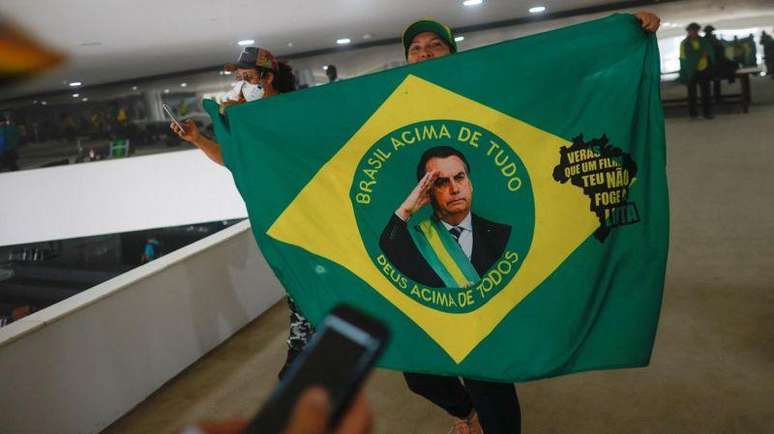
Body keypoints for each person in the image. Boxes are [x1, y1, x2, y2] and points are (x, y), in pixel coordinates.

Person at [395, 12, 660, 434]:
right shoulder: (390, 102)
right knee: (417, 368)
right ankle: (469, 414)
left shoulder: (482, 84)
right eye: (416, 48)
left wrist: (620, 33)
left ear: (453, 52)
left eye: (436, 45)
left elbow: (550, 76)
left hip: (485, 250)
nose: (425, 53)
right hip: (427, 253)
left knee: (485, 368)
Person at [171, 46, 313, 380]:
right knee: (300, 294)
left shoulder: (289, 111)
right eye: (238, 78)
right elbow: (233, 159)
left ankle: (304, 366)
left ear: (267, 78)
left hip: (307, 221)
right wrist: (197, 138)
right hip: (278, 225)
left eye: (248, 78)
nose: (240, 84)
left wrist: (248, 120)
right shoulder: (245, 116)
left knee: (310, 295)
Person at [380, 146, 511, 288]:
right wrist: (405, 211)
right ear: (427, 191)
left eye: (459, 178)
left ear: (470, 184)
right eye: (442, 182)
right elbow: (383, 258)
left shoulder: (503, 236)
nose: (455, 189)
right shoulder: (415, 242)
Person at [679, 23, 715, 119]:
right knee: (691, 94)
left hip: (704, 69)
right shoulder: (684, 43)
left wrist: (704, 54)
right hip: (691, 71)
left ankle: (707, 113)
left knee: (706, 93)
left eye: (695, 30)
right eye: (692, 30)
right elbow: (683, 58)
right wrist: (699, 54)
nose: (694, 32)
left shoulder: (704, 41)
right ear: (688, 31)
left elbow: (710, 52)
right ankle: (693, 114)